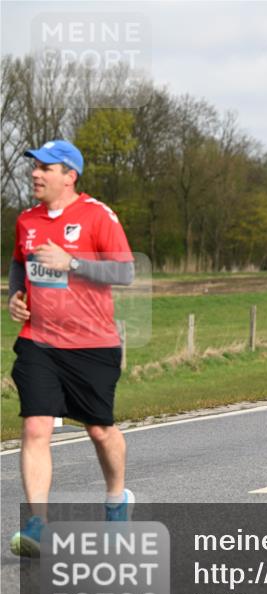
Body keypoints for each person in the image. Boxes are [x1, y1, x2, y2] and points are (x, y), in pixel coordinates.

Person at [8, 140, 136, 557]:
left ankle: (117, 500)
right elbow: (18, 264)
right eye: (35, 167)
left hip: (92, 343)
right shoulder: (26, 220)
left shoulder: (98, 216)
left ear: (69, 175)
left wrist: (73, 263)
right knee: (35, 426)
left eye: (45, 168)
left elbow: (126, 271)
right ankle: (37, 524)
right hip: (38, 342)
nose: (36, 174)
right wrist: (14, 295)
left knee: (100, 430)